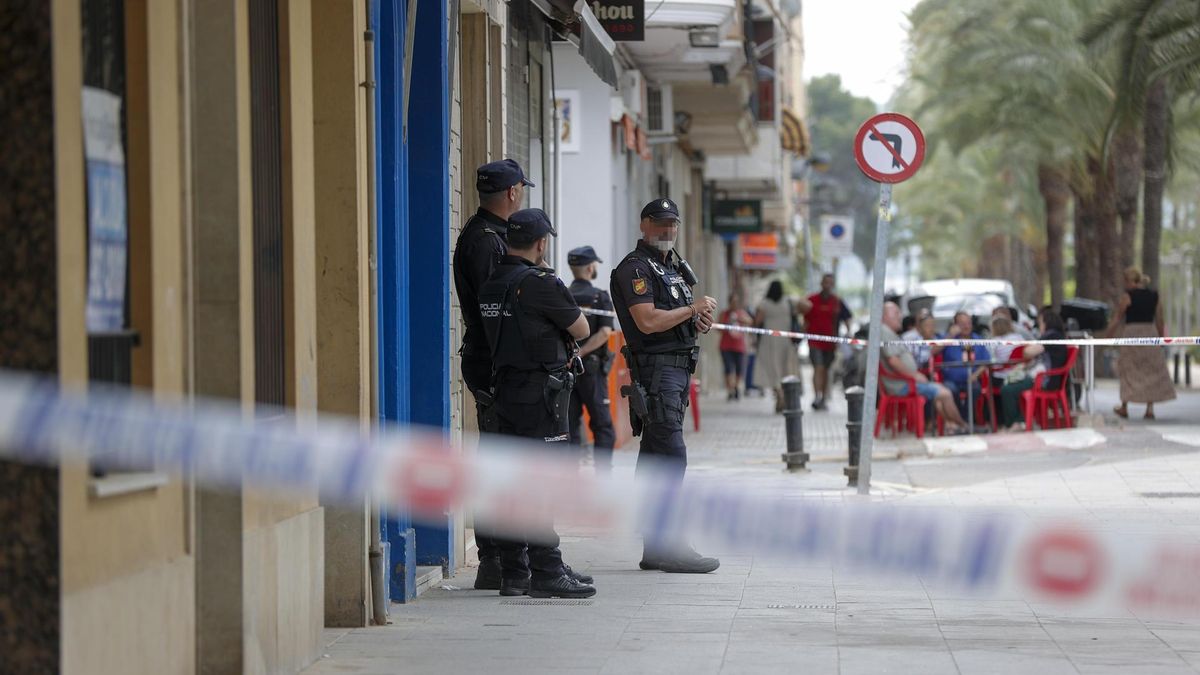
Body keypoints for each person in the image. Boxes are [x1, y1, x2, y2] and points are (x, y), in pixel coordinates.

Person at [477, 208, 596, 599]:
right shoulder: (541, 283)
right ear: (542, 243)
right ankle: (547, 568)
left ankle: (515, 572)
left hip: (502, 391)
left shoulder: (493, 281)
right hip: (540, 395)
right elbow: (582, 328)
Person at [610, 197, 720, 574]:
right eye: (659, 223)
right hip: (656, 372)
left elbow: (674, 320)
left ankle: (656, 547)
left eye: (672, 223)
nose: (667, 230)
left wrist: (697, 321)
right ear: (644, 225)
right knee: (671, 456)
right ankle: (668, 544)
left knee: (656, 457)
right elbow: (647, 321)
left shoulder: (671, 267)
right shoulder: (635, 269)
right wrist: (691, 309)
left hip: (675, 372)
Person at [451, 158, 532, 591]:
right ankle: (497, 560)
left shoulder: (491, 236)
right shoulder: (486, 242)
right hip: (495, 362)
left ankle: (503, 557)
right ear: (513, 194)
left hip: (498, 360)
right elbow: (496, 311)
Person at [880, 302, 970, 434]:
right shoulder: (890, 333)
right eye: (896, 314)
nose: (900, 317)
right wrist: (914, 375)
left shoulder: (889, 333)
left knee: (941, 394)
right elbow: (893, 361)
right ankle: (963, 426)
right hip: (903, 384)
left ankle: (954, 426)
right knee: (945, 393)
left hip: (907, 381)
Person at [566, 245, 617, 475]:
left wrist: (572, 355)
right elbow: (605, 333)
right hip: (592, 371)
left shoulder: (563, 294)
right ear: (589, 268)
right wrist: (583, 353)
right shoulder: (600, 297)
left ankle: (573, 480)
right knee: (603, 426)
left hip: (566, 371)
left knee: (571, 425)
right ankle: (602, 478)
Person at [1107, 267, 1176, 419]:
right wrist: (1161, 338)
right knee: (1151, 369)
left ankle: (1124, 406)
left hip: (1132, 333)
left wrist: (1108, 336)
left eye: (1126, 281)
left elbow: (1118, 317)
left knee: (1127, 368)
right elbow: (1160, 319)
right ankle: (1149, 408)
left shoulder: (1127, 296)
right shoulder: (1154, 296)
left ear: (1130, 281)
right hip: (1150, 333)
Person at [998, 309, 1071, 430]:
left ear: (1047, 322)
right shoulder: (1057, 335)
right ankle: (1020, 421)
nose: (1039, 326)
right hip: (1048, 378)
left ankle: (1017, 423)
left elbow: (1028, 352)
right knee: (1011, 386)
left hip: (1044, 380)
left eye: (1040, 323)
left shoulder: (1051, 335)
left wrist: (1027, 351)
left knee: (1007, 389)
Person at [756, 281, 811, 413]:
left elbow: (757, 321)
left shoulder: (764, 304)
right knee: (785, 369)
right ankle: (782, 396)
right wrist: (796, 308)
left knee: (772, 370)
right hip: (785, 341)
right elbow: (808, 306)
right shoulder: (788, 301)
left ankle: (779, 396)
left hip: (768, 341)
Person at [804, 274, 852, 410]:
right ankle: (816, 396)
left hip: (831, 343)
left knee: (826, 370)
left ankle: (824, 397)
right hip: (814, 341)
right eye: (826, 282)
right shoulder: (811, 300)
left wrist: (848, 332)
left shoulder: (837, 302)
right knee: (817, 367)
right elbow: (805, 318)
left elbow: (847, 318)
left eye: (830, 283)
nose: (828, 285)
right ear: (821, 283)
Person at [941, 310, 990, 419]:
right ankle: (959, 420)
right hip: (951, 380)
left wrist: (975, 375)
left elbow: (986, 362)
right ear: (955, 325)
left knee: (975, 389)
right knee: (950, 390)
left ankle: (966, 421)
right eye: (962, 324)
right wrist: (950, 335)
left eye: (968, 323)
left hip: (972, 379)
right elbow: (933, 351)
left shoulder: (978, 339)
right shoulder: (948, 338)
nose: (966, 326)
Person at [718, 292, 753, 400]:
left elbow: (750, 321)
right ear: (729, 302)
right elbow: (718, 327)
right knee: (728, 368)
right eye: (733, 302)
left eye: (736, 302)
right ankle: (730, 390)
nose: (734, 304)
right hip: (726, 346)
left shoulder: (741, 313)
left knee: (739, 369)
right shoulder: (724, 313)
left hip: (739, 347)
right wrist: (727, 322)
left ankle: (736, 387)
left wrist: (739, 319)